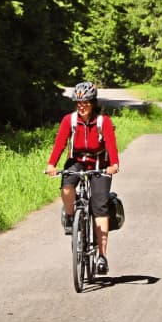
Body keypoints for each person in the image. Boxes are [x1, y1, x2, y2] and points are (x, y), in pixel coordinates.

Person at [45, 81, 120, 274]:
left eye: (85, 102)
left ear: (93, 102)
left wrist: (113, 164)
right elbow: (60, 143)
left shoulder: (103, 121)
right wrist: (51, 164)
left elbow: (111, 144)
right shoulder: (69, 121)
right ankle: (71, 217)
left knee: (100, 205)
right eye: (78, 102)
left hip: (98, 163)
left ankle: (102, 256)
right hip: (76, 161)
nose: (81, 106)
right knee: (67, 187)